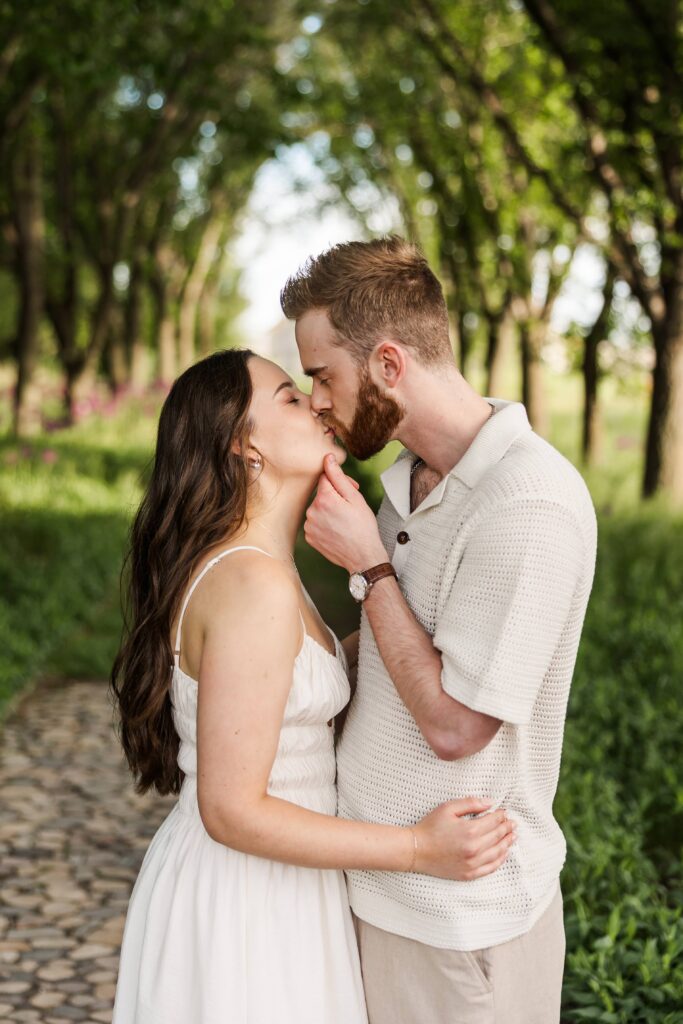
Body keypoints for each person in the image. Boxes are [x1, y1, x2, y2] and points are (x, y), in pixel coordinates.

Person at [109, 348, 516, 1024]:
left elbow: (297, 685)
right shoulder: (251, 585)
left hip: (281, 883)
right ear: (246, 445)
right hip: (247, 899)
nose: (318, 404)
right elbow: (232, 809)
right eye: (291, 399)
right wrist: (417, 849)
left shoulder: (264, 569)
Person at [281, 235, 598, 1024]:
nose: (316, 399)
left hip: (457, 924)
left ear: (388, 364)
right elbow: (397, 659)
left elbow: (456, 727)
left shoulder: (528, 503)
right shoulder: (407, 482)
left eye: (323, 376)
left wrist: (368, 568)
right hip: (375, 895)